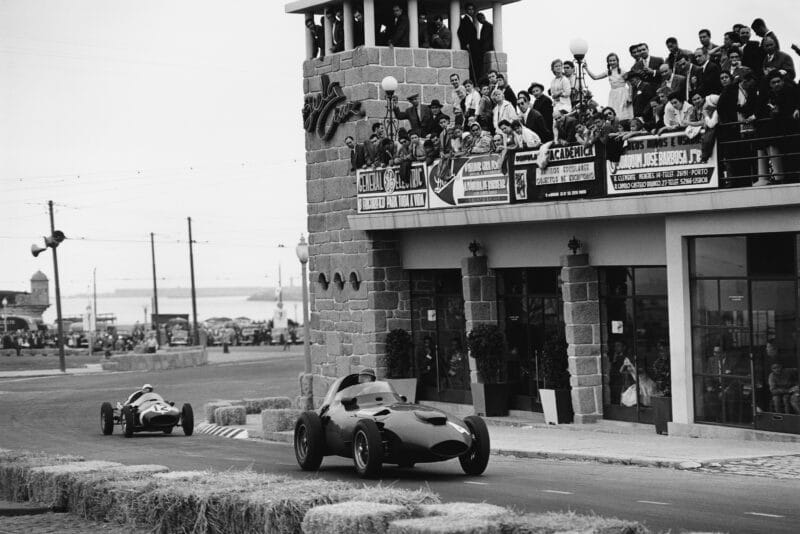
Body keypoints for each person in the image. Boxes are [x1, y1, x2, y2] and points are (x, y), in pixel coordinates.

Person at [584, 52, 633, 120]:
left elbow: (630, 85)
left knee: (623, 112)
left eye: (614, 60)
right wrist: (586, 69)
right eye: (610, 61)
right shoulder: (608, 72)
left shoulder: (622, 71)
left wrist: (630, 97)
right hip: (613, 94)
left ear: (617, 61)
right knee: (613, 112)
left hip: (622, 93)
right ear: (608, 62)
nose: (612, 62)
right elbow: (595, 77)